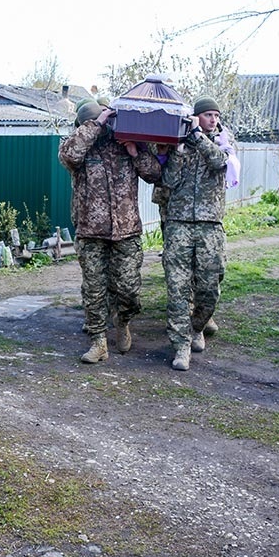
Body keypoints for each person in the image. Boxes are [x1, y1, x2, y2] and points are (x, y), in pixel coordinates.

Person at [58, 100, 162, 363]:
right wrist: (97, 121)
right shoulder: (79, 149)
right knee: (94, 290)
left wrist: (135, 150)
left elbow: (154, 173)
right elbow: (69, 155)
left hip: (126, 232)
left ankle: (123, 321)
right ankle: (98, 342)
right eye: (94, 123)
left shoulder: (127, 144)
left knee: (128, 290)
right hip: (91, 233)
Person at [162, 97, 238, 371]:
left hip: (210, 225)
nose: (213, 120)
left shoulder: (223, 143)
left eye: (216, 115)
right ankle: (181, 346)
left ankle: (198, 326)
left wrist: (198, 138)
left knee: (209, 288)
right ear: (195, 117)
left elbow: (220, 163)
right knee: (178, 288)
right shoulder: (180, 144)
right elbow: (168, 181)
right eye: (207, 115)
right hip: (179, 224)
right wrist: (181, 150)